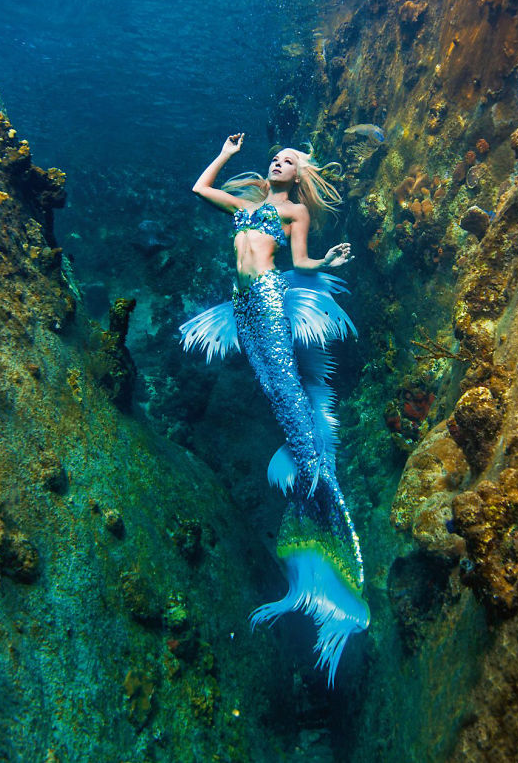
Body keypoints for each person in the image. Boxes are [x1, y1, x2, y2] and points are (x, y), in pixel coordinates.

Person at [180, 133, 369, 685]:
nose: (278, 162)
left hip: (266, 299)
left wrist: (327, 260)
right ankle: (313, 492)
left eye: (288, 161)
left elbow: (302, 262)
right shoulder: (248, 204)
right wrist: (225, 154)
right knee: (275, 398)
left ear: (299, 175)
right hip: (242, 306)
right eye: (276, 158)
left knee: (288, 397)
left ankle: (322, 494)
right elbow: (199, 189)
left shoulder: (294, 211)